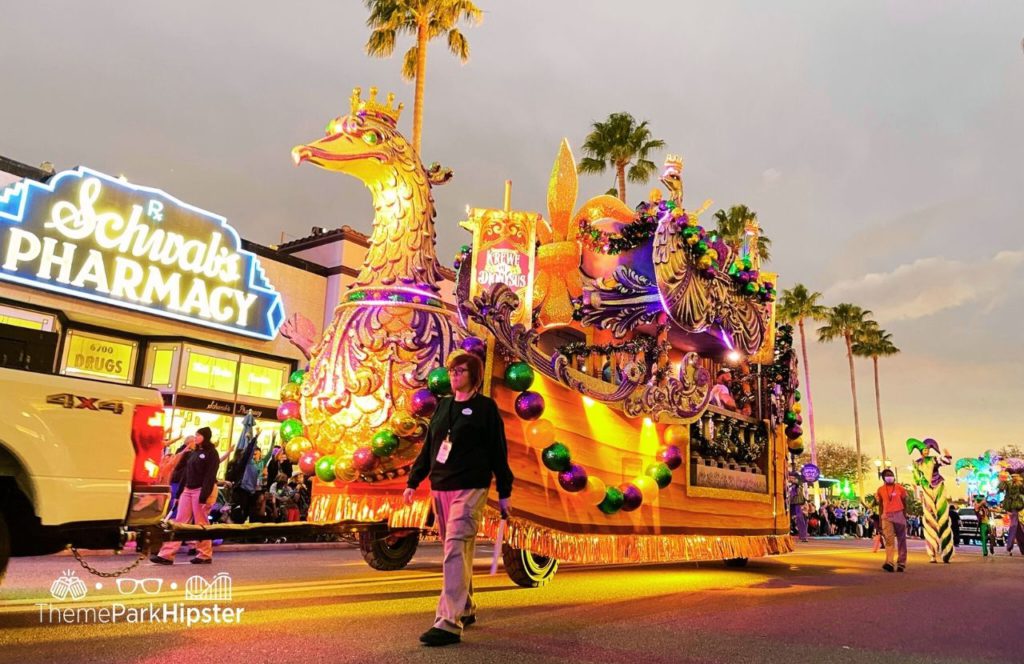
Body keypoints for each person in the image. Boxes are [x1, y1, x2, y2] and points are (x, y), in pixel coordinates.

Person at [404, 350, 513, 648]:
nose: (454, 375)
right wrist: (413, 481)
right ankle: (466, 607)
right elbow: (430, 448)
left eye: (461, 371)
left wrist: (504, 492)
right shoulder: (443, 407)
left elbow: (498, 452)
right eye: (452, 370)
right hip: (441, 486)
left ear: (474, 376)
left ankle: (448, 622)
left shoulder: (486, 409)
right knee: (456, 547)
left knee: (455, 545)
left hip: (471, 486)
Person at [151, 427, 221, 564]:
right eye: (196, 434)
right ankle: (166, 554)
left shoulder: (211, 453)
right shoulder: (195, 452)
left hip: (200, 490)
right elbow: (186, 473)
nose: (196, 437)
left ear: (205, 436)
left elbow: (210, 476)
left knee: (201, 523)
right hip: (187, 490)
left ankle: (205, 554)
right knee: (179, 522)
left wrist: (204, 495)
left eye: (198, 435)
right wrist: (178, 493)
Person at [874, 469, 909, 572]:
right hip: (886, 517)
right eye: (887, 475)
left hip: (899, 515)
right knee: (889, 539)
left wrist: (904, 515)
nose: (890, 476)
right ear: (883, 478)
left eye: (891, 474)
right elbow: (880, 505)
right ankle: (889, 562)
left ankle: (901, 562)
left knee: (901, 540)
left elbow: (904, 502)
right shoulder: (880, 490)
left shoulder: (900, 488)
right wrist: (880, 519)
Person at [998, 469, 1024, 556]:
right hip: (1014, 509)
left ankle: (1021, 549)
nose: (1014, 478)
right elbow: (1001, 488)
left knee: (1017, 529)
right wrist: (1002, 479)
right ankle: (1009, 547)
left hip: (1019, 508)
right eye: (1013, 476)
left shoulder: (1020, 484)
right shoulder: (1009, 484)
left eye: (1016, 476)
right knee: (1014, 527)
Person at [788, 474, 808, 542]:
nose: (791, 479)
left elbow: (796, 490)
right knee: (787, 519)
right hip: (790, 504)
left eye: (792, 478)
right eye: (790, 477)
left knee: (800, 519)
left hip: (796, 504)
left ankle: (803, 536)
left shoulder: (797, 486)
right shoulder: (791, 485)